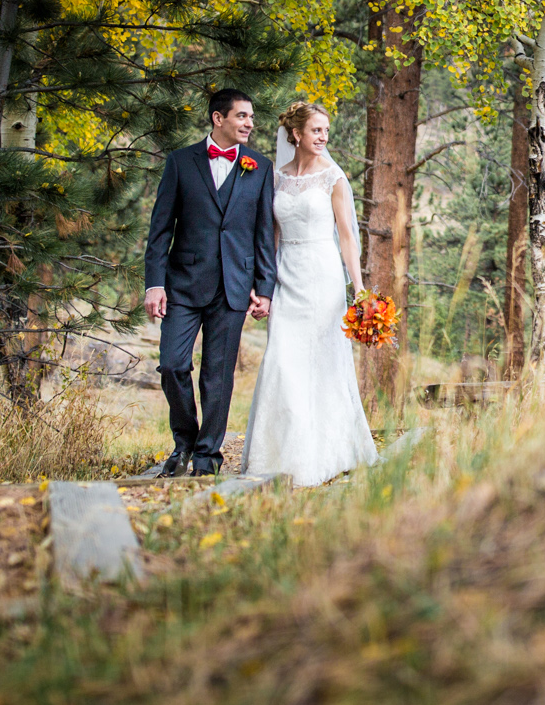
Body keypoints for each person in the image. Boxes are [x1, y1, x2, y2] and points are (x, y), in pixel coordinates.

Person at [241, 99, 379, 484]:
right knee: (282, 360)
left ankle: (325, 453)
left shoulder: (333, 178)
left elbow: (348, 238)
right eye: (317, 130)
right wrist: (261, 284)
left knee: (322, 363)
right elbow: (271, 236)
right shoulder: (278, 176)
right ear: (296, 134)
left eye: (327, 131)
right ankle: (279, 455)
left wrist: (361, 290)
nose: (323, 137)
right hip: (286, 275)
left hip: (323, 276)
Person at [142, 89, 275, 477]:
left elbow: (264, 233)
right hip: (182, 284)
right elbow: (159, 229)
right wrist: (155, 284)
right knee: (172, 365)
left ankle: (206, 457)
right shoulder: (181, 162)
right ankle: (183, 443)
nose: (250, 123)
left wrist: (264, 288)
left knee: (217, 376)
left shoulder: (259, 166)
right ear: (219, 118)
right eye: (242, 116)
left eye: (251, 117)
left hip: (234, 286)